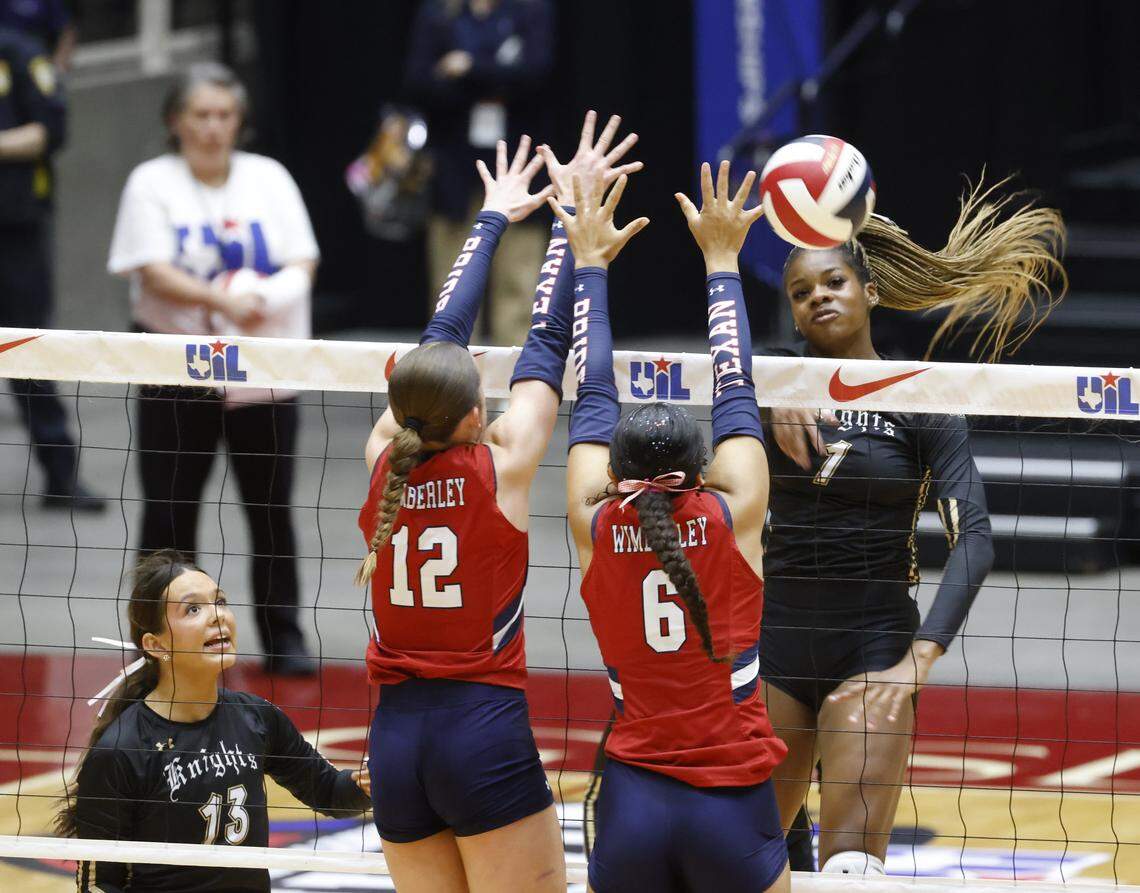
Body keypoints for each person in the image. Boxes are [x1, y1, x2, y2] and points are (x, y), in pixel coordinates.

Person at [357, 116, 639, 892]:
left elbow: (436, 345)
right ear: (475, 414)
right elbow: (548, 344)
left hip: (396, 740)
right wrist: (566, 222)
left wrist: (490, 218)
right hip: (481, 731)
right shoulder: (501, 465)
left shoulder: (384, 453)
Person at [759, 182, 1066, 874]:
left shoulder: (922, 399)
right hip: (775, 641)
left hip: (873, 647)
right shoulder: (763, 387)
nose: (818, 297)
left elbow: (975, 538)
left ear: (869, 290)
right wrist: (769, 382)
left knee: (850, 871)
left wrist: (919, 657)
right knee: (747, 859)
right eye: (802, 292)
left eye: (833, 281)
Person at [561, 161, 790, 893]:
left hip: (632, 800)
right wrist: (722, 262)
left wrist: (590, 267)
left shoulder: (593, 522)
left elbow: (591, 394)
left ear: (613, 472)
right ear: (702, 470)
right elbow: (736, 390)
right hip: (732, 799)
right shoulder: (735, 513)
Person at [107, 62, 319, 675]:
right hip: (176, 364)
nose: (213, 127)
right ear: (176, 121)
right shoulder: (152, 181)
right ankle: (159, 641)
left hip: (261, 365)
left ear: (239, 121)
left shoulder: (268, 177)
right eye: (200, 114)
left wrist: (263, 302)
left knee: (270, 508)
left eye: (224, 115)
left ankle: (284, 636)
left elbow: (301, 260)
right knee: (169, 509)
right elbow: (150, 267)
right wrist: (221, 300)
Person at [58, 549, 372, 893]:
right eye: (193, 609)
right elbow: (99, 882)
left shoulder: (257, 717)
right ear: (155, 644)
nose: (217, 617)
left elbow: (331, 794)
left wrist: (375, 780)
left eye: (220, 601)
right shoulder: (123, 748)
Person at [405, 0, 555, 347]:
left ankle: (515, 393)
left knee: (519, 285)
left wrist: (469, 68)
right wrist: (495, 78)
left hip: (518, 167)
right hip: (453, 171)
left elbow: (536, 74)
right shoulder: (439, 13)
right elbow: (419, 82)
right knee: (452, 283)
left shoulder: (531, 10)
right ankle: (450, 387)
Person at [0, 20, 104, 510]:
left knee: (26, 353)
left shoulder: (18, 53)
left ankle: (61, 475)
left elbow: (48, 132)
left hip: (15, 229)